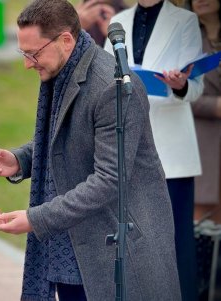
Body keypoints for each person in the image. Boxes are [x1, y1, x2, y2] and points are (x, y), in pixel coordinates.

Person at [0, 0, 180, 300]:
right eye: (23, 53)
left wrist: (37, 219)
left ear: (65, 40)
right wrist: (20, 160)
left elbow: (109, 180)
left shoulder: (112, 87)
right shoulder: (63, 68)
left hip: (120, 249)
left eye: (33, 54)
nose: (27, 64)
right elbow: (68, 139)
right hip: (75, 244)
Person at [103, 1, 204, 300]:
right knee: (135, 242)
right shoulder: (118, 21)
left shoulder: (185, 21)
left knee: (175, 244)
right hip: (129, 149)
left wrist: (180, 85)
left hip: (172, 153)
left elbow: (195, 87)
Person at [190, 0, 221, 223]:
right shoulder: (186, 38)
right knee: (202, 224)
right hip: (203, 142)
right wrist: (214, 106)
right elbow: (176, 92)